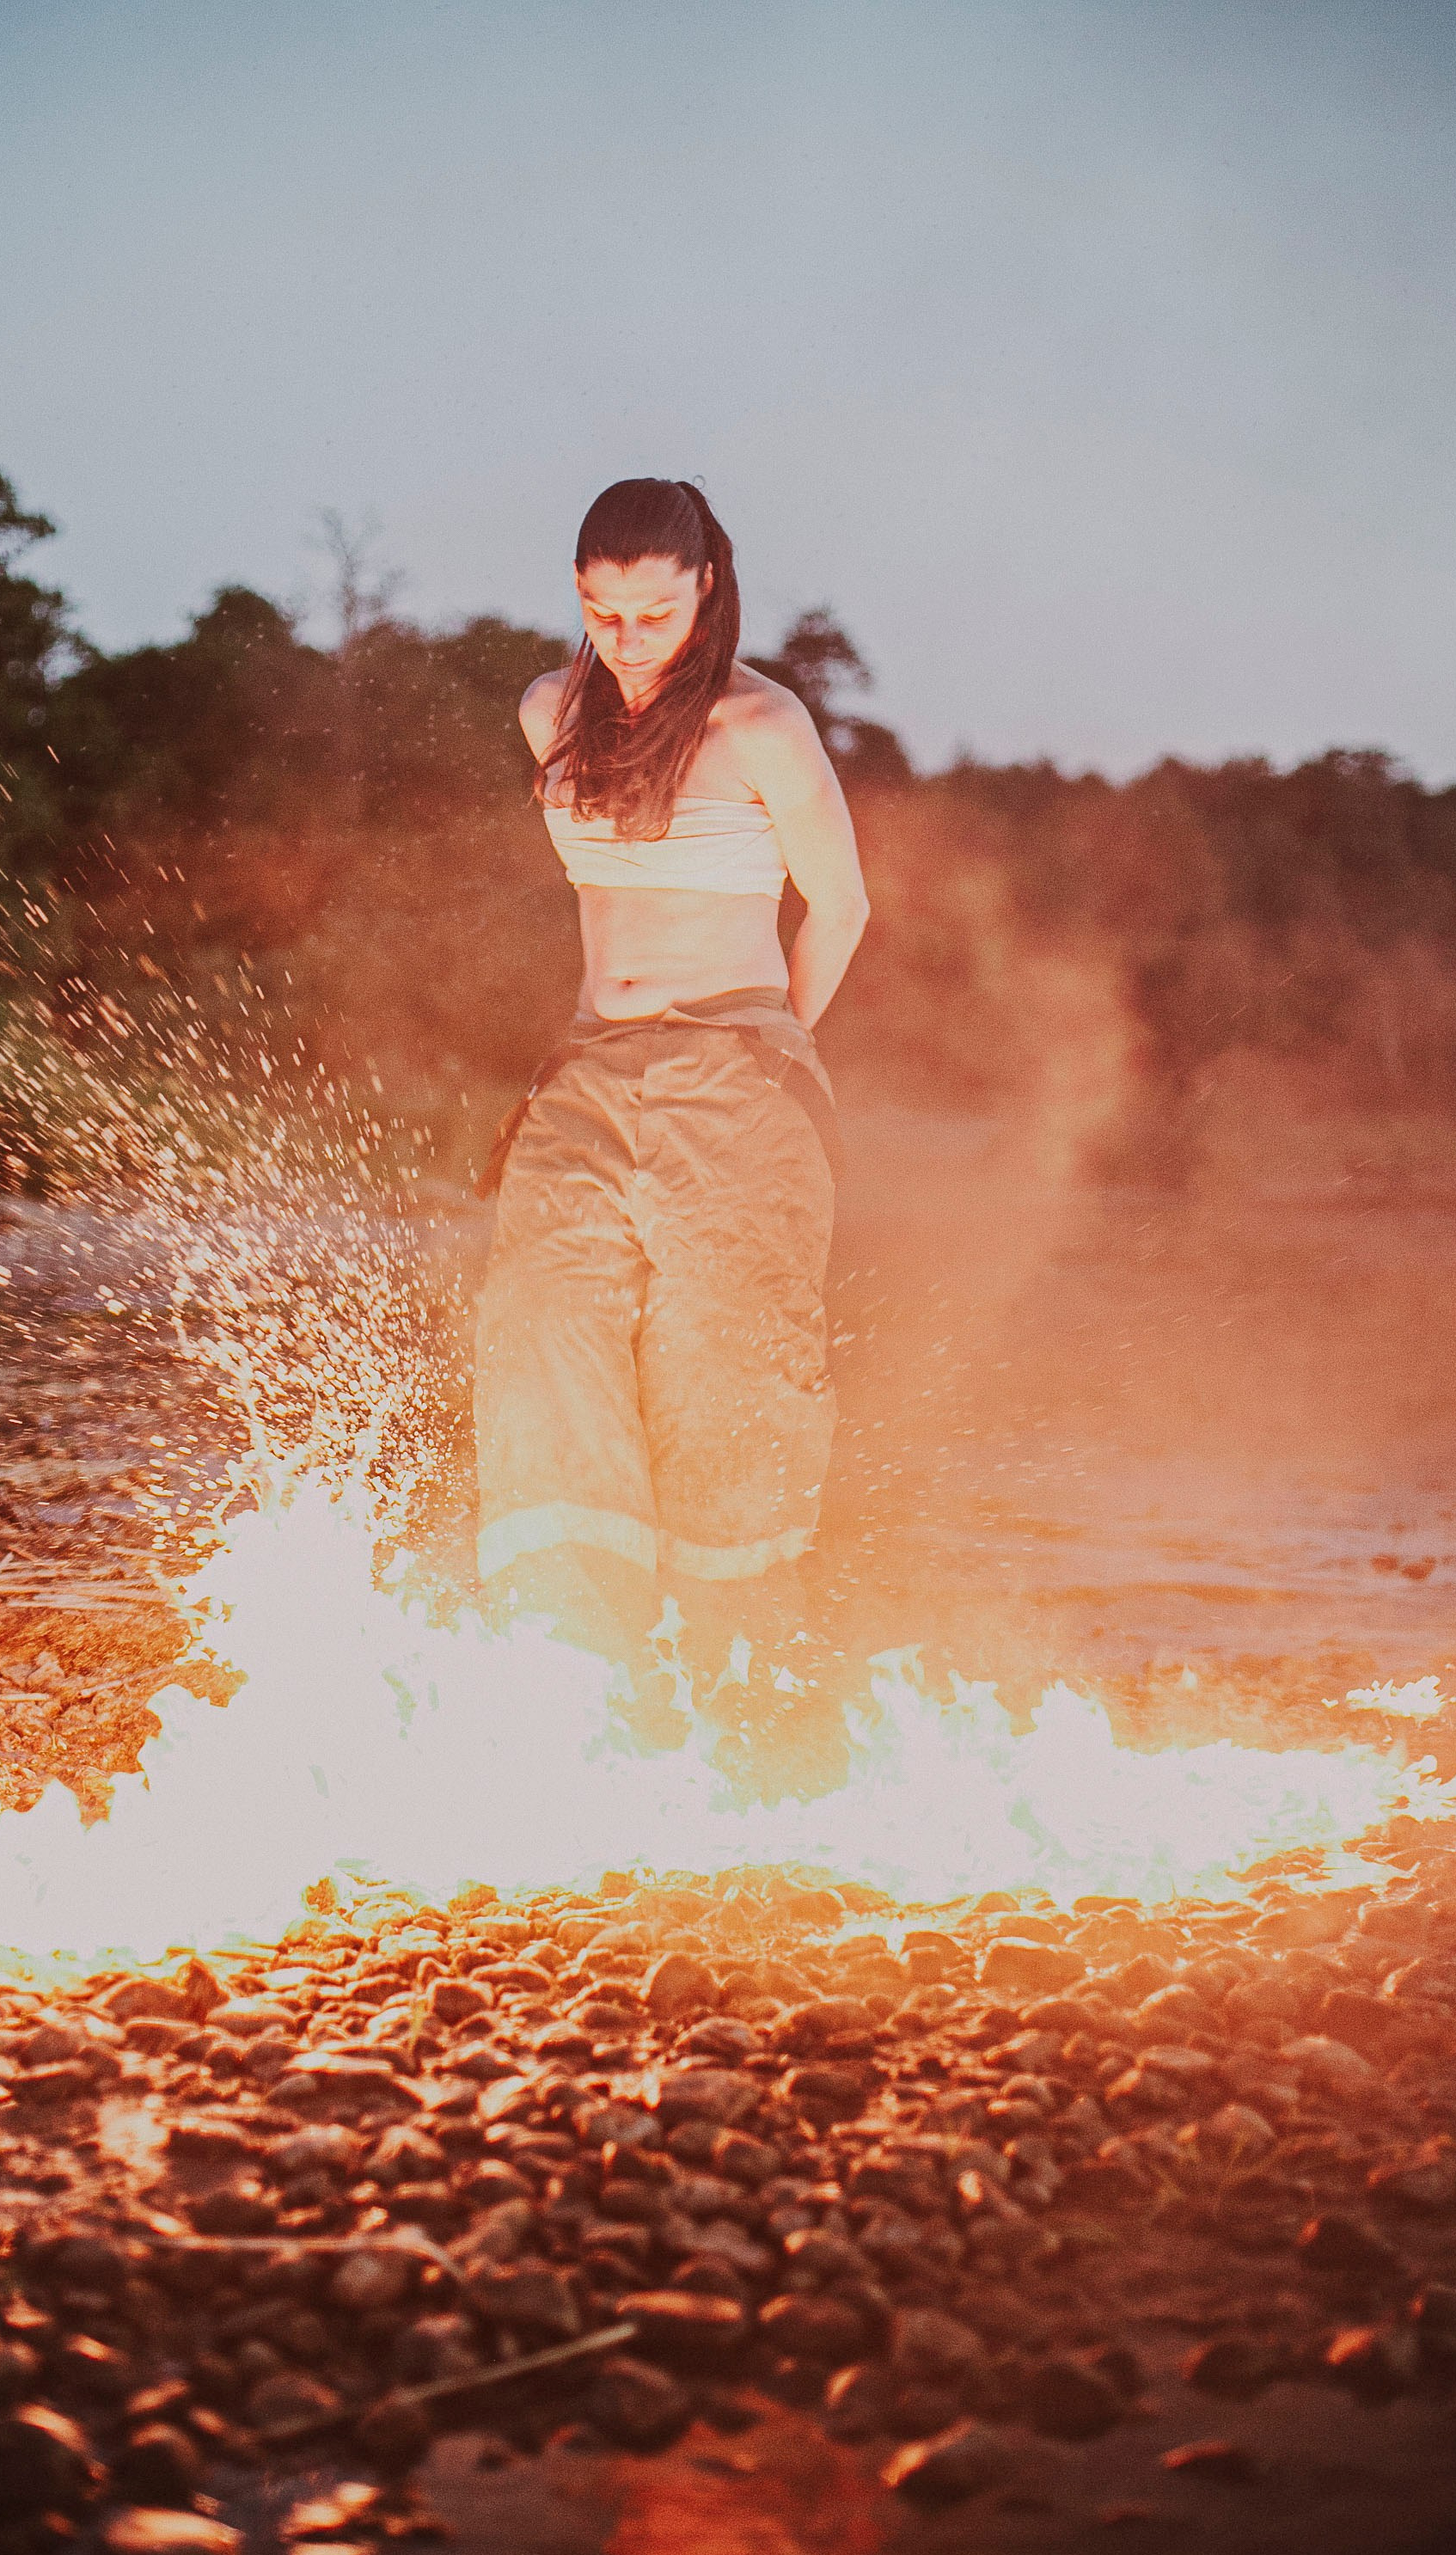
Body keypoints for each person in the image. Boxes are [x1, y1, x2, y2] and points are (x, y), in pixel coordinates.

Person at [472, 476, 870, 1737]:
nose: (627, 641)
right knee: (543, 1326)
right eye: (601, 611)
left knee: (724, 1363)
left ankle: (752, 1705)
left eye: (653, 612)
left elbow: (843, 906)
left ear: (707, 588)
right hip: (590, 1058)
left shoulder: (763, 723)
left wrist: (775, 1051)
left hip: (734, 1058)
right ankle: (593, 1685)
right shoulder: (552, 710)